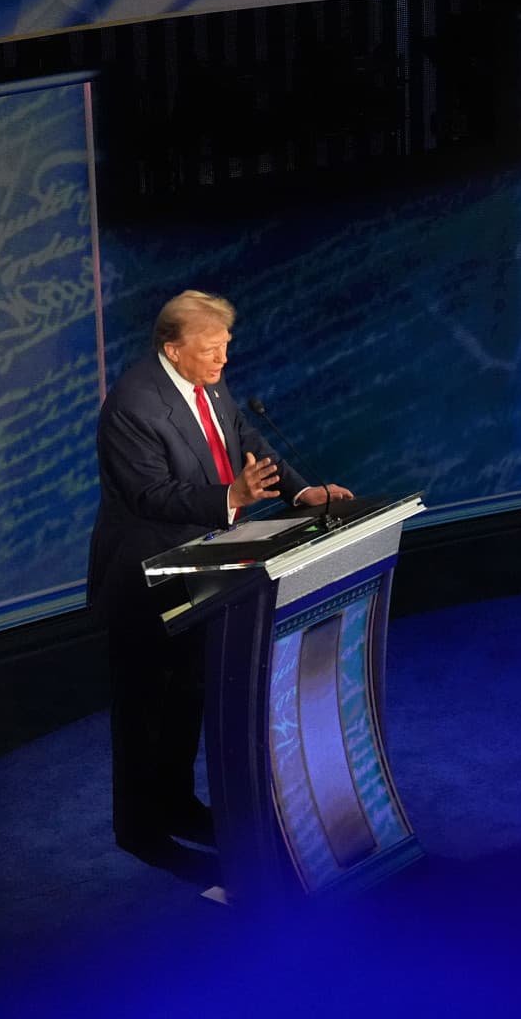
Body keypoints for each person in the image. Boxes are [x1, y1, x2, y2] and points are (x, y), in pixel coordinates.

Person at [86, 290, 352, 879]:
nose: (222, 361)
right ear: (172, 349)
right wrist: (230, 497)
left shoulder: (207, 382)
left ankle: (178, 803)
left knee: (187, 693)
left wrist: (301, 491)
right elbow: (149, 495)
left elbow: (241, 441)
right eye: (211, 351)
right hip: (145, 575)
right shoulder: (132, 406)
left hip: (203, 562)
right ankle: (140, 830)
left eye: (226, 349)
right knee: (144, 708)